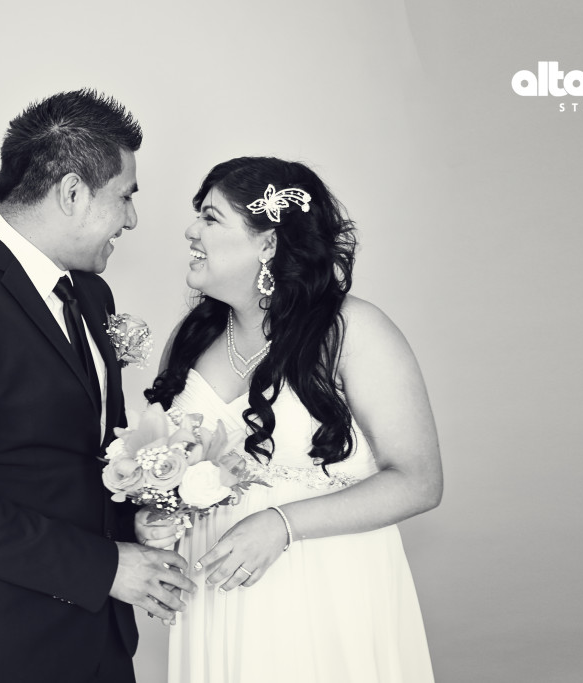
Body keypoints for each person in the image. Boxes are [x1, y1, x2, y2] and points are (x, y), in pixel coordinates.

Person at [0, 89, 196, 683]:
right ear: (73, 192)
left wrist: (135, 524)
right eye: (125, 195)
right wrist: (105, 567)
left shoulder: (91, 294)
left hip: (103, 636)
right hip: (9, 641)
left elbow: (83, 458)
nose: (132, 219)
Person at [140, 157, 443, 683]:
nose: (191, 231)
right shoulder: (191, 337)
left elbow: (419, 482)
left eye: (210, 218)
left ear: (268, 243)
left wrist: (281, 524)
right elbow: (173, 477)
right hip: (217, 594)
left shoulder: (353, 331)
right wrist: (154, 519)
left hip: (325, 586)